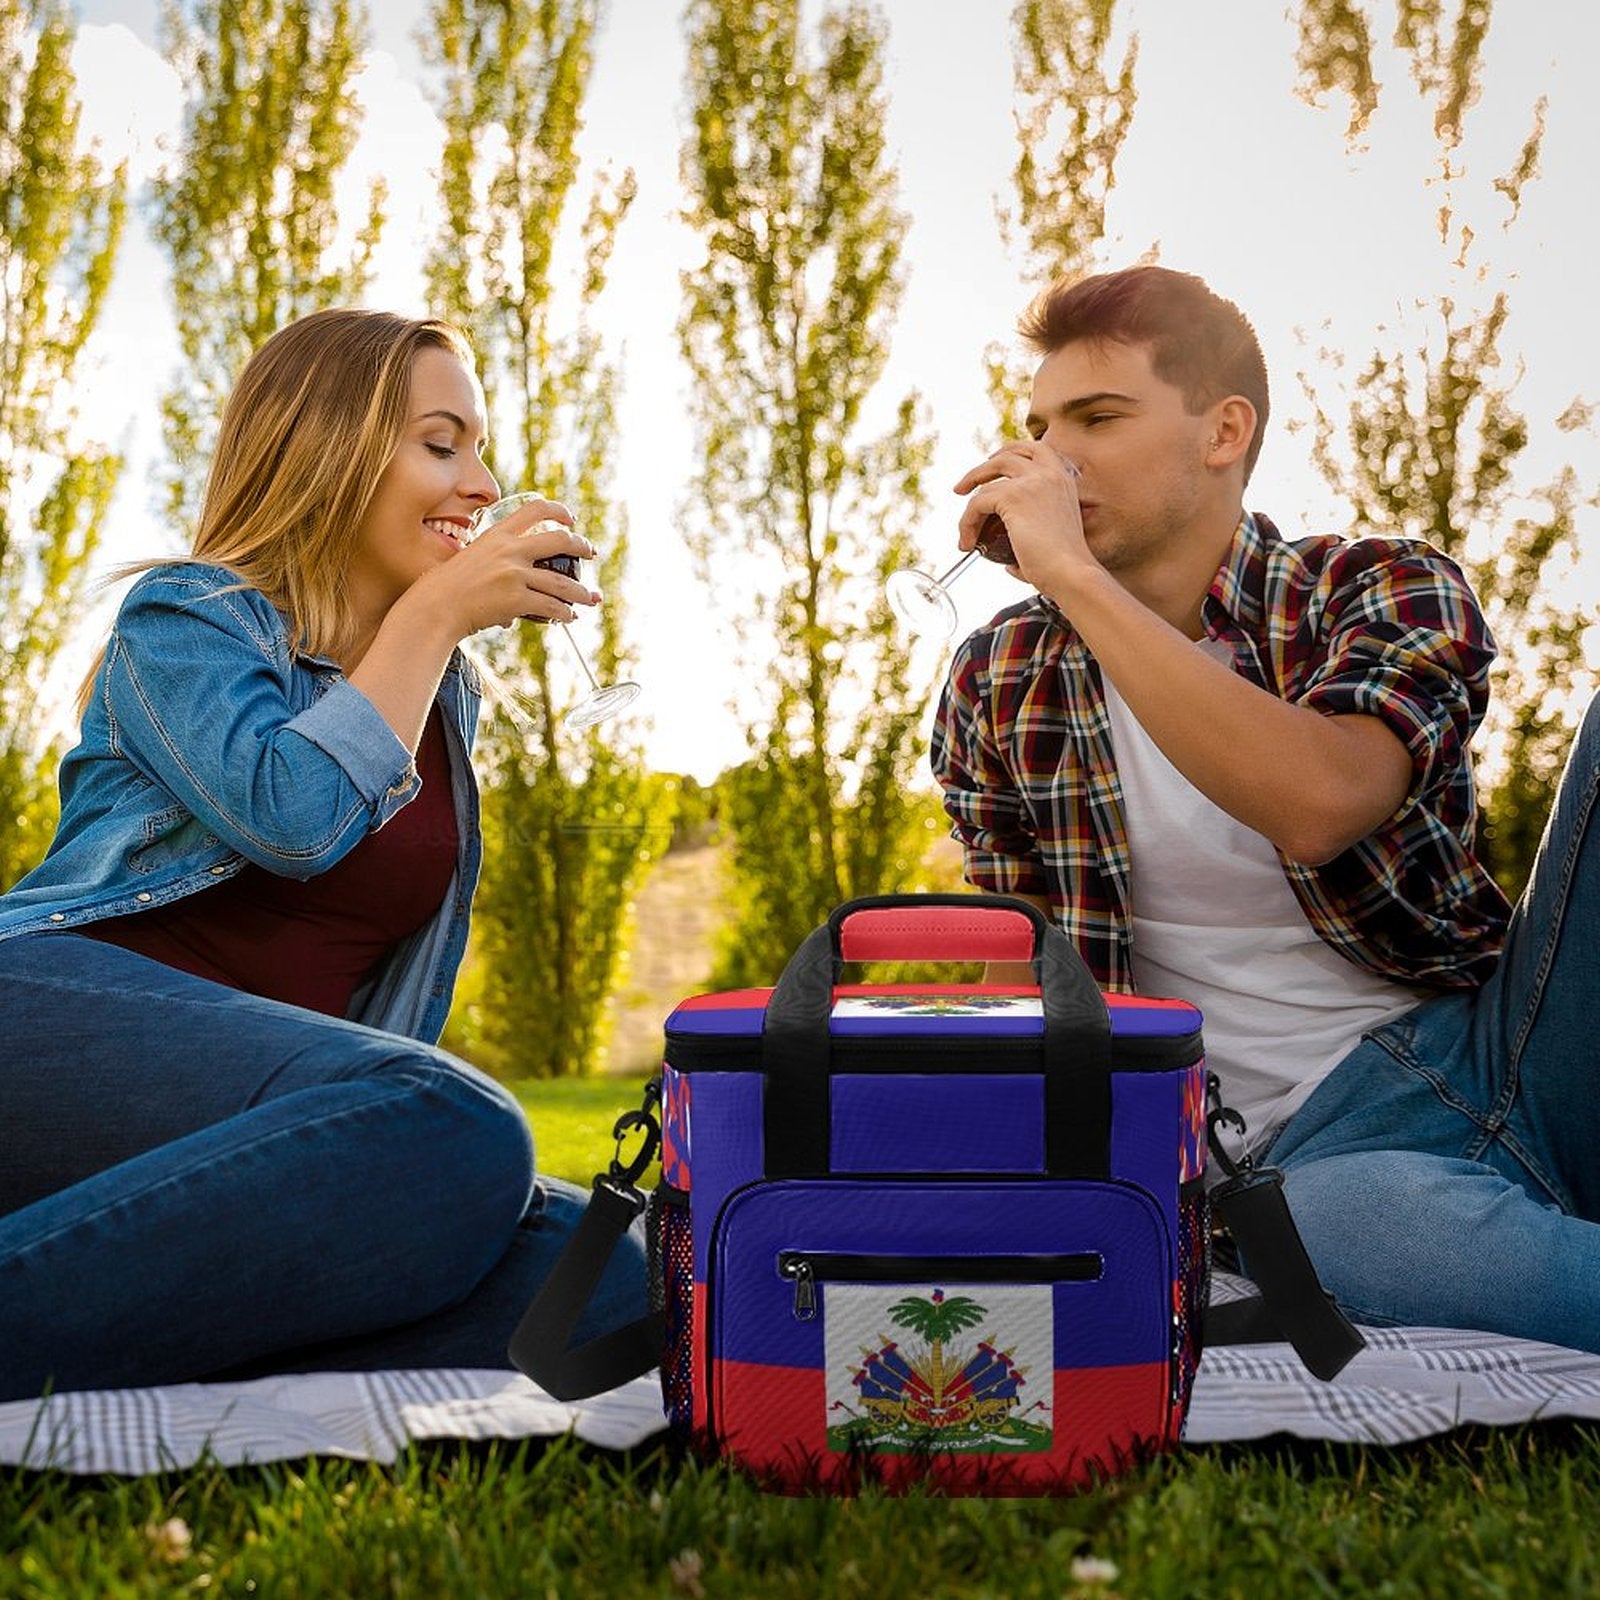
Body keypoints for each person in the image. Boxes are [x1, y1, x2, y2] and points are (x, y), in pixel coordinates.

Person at [932, 263, 1600, 1353]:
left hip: (1501, 1050)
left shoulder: (1375, 587)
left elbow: (1325, 799)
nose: (1052, 458)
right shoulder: (999, 679)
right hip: (1310, 1162)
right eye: (1039, 425)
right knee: (1327, 1233)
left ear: (1223, 431)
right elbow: (1039, 984)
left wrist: (1078, 581)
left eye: (1097, 417)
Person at [0, 308, 646, 1401]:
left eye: (480, 449)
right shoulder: (186, 618)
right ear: (326, 452)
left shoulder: (445, 703)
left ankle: (113, 1329)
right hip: (43, 1030)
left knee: (609, 1286)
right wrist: (435, 614)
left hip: (244, 1122)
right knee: (460, 1125)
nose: (482, 483)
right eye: (442, 443)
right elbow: (292, 818)